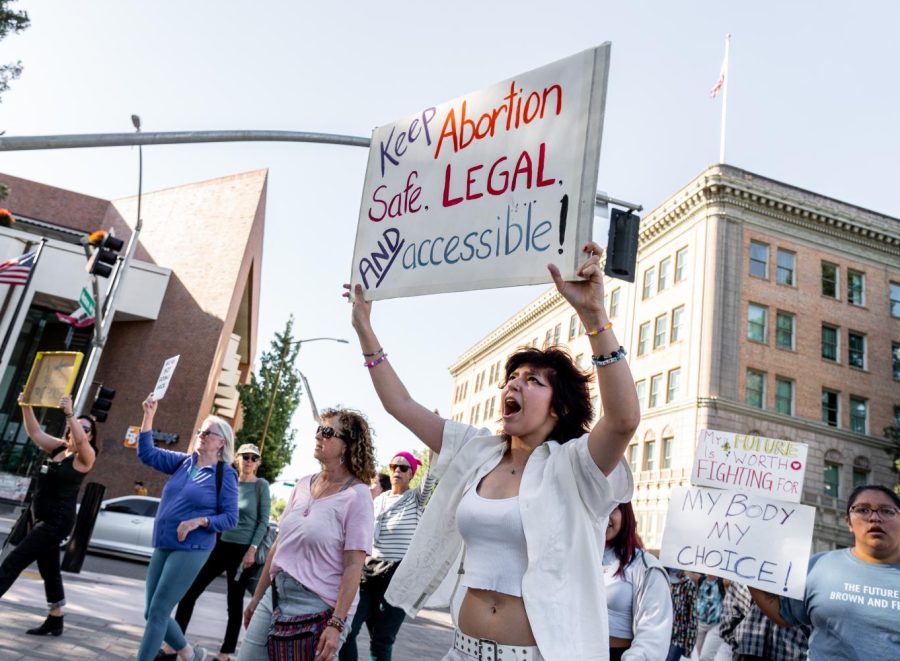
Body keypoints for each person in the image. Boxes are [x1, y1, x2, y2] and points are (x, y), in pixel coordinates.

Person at [344, 240, 640, 660]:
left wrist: (593, 314)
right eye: (513, 377)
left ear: (560, 407)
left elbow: (624, 419)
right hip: (461, 651)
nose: (514, 384)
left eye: (534, 381)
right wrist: (364, 329)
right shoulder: (476, 450)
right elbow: (402, 405)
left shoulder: (576, 465)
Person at [238, 408, 376, 661]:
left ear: (347, 445)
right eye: (318, 430)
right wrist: (257, 598)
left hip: (320, 608)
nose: (318, 436)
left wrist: (336, 624)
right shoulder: (302, 484)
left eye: (327, 431)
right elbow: (278, 546)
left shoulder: (358, 496)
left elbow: (354, 565)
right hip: (276, 596)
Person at [136, 395, 239, 661]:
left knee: (159, 610)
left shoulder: (225, 473)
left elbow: (230, 518)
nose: (202, 436)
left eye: (209, 433)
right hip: (164, 542)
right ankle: (189, 653)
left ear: (222, 442)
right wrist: (149, 416)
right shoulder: (184, 462)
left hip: (192, 547)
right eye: (201, 431)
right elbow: (146, 454)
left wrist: (200, 521)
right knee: (151, 612)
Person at [750, 484, 900, 660]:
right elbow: (782, 612)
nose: (874, 517)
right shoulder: (819, 565)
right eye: (863, 510)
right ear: (849, 523)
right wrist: (746, 566)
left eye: (887, 511)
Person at [0, 394, 97, 637]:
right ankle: (56, 618)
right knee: (49, 569)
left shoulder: (85, 457)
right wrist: (26, 405)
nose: (80, 431)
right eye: (78, 426)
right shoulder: (59, 448)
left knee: (13, 562)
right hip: (39, 518)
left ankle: (55, 618)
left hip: (56, 522)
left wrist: (70, 413)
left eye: (86, 429)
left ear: (90, 436)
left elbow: (81, 441)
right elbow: (34, 433)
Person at [173, 443, 271, 660]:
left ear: (258, 463)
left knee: (234, 603)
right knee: (190, 593)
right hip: (219, 545)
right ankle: (174, 645)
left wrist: (252, 549)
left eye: (254, 458)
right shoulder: (229, 481)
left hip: (243, 550)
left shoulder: (260, 486)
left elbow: (263, 521)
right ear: (237, 458)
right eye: (245, 456)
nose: (249, 461)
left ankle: (225, 654)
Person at [340, 450, 436, 661]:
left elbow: (432, 474)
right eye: (393, 467)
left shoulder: (416, 498)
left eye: (403, 468)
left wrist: (433, 448)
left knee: (381, 641)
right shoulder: (379, 499)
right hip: (368, 574)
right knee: (346, 631)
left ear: (412, 474)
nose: (397, 471)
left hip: (397, 578)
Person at [602, 501, 672, 660]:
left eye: (612, 508)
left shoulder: (646, 566)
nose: (604, 517)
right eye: (597, 508)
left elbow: (652, 636)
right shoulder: (578, 559)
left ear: (626, 515)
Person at [718, 582, 808, 661]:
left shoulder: (805, 581)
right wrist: (736, 644)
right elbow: (729, 613)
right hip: (746, 653)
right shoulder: (746, 576)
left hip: (790, 655)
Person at [666, 569, 698, 661]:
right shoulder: (661, 580)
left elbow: (693, 616)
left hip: (677, 638)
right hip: (660, 633)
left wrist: (689, 644)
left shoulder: (688, 584)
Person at [695, 575, 725, 660]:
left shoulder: (721, 582)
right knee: (698, 656)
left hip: (716, 625)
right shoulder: (701, 580)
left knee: (706, 657)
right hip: (700, 624)